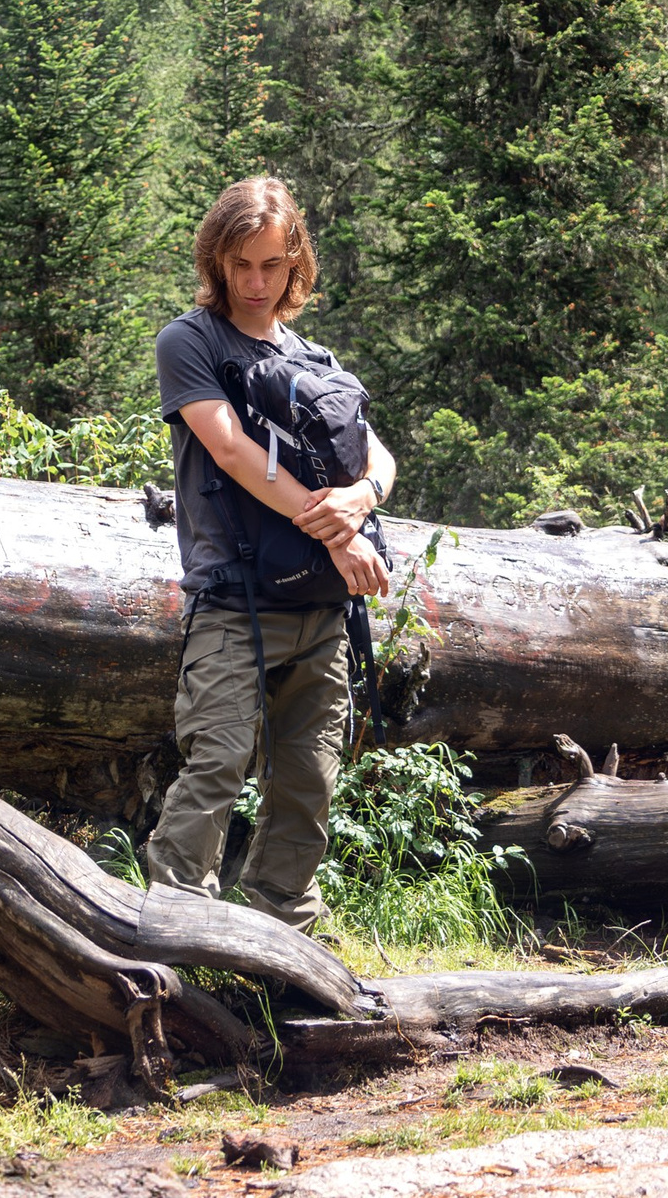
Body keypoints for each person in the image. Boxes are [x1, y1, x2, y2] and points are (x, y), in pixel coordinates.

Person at [146, 176, 395, 928]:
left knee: (310, 782)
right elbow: (229, 449)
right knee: (217, 762)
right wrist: (342, 528)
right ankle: (174, 934)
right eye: (240, 265)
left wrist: (367, 497)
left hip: (321, 609)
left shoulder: (313, 357)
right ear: (215, 260)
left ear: (296, 266)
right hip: (232, 600)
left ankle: (287, 943)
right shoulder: (190, 341)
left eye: (271, 266)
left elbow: (379, 456)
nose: (256, 283)